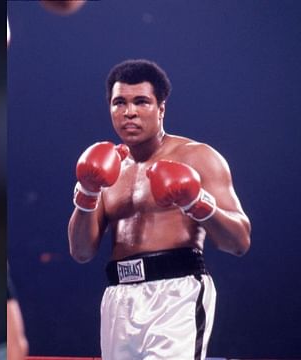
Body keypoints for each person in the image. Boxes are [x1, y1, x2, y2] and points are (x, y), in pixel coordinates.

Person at [68, 59, 251, 359]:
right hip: (118, 298)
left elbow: (239, 241)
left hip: (176, 294)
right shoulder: (106, 167)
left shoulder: (197, 157)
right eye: (119, 103)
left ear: (161, 108)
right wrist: (87, 192)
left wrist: (197, 202)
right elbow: (81, 251)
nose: (129, 112)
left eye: (141, 102)